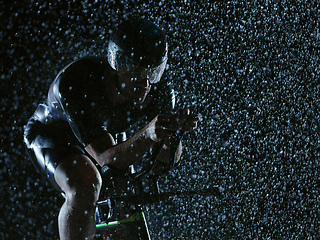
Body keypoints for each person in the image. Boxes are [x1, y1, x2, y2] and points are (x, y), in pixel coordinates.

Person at [24, 18, 199, 240]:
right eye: (135, 71)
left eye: (153, 73)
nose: (145, 83)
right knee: (86, 184)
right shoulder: (76, 82)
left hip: (101, 134)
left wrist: (172, 136)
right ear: (117, 63)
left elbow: (163, 163)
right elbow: (107, 158)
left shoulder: (160, 90)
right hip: (54, 135)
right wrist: (148, 134)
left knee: (123, 192)